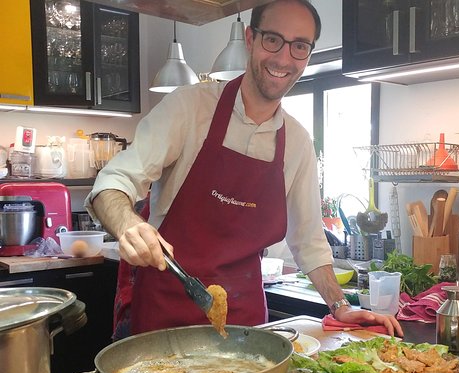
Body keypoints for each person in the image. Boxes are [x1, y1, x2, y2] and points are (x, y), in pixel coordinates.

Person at [86, 0, 403, 339]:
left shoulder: (297, 142)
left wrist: (342, 306)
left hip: (247, 326)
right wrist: (129, 225)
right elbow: (112, 183)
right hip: (166, 315)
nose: (283, 58)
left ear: (308, 54)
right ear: (251, 39)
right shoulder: (189, 108)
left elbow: (308, 241)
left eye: (299, 46)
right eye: (272, 40)